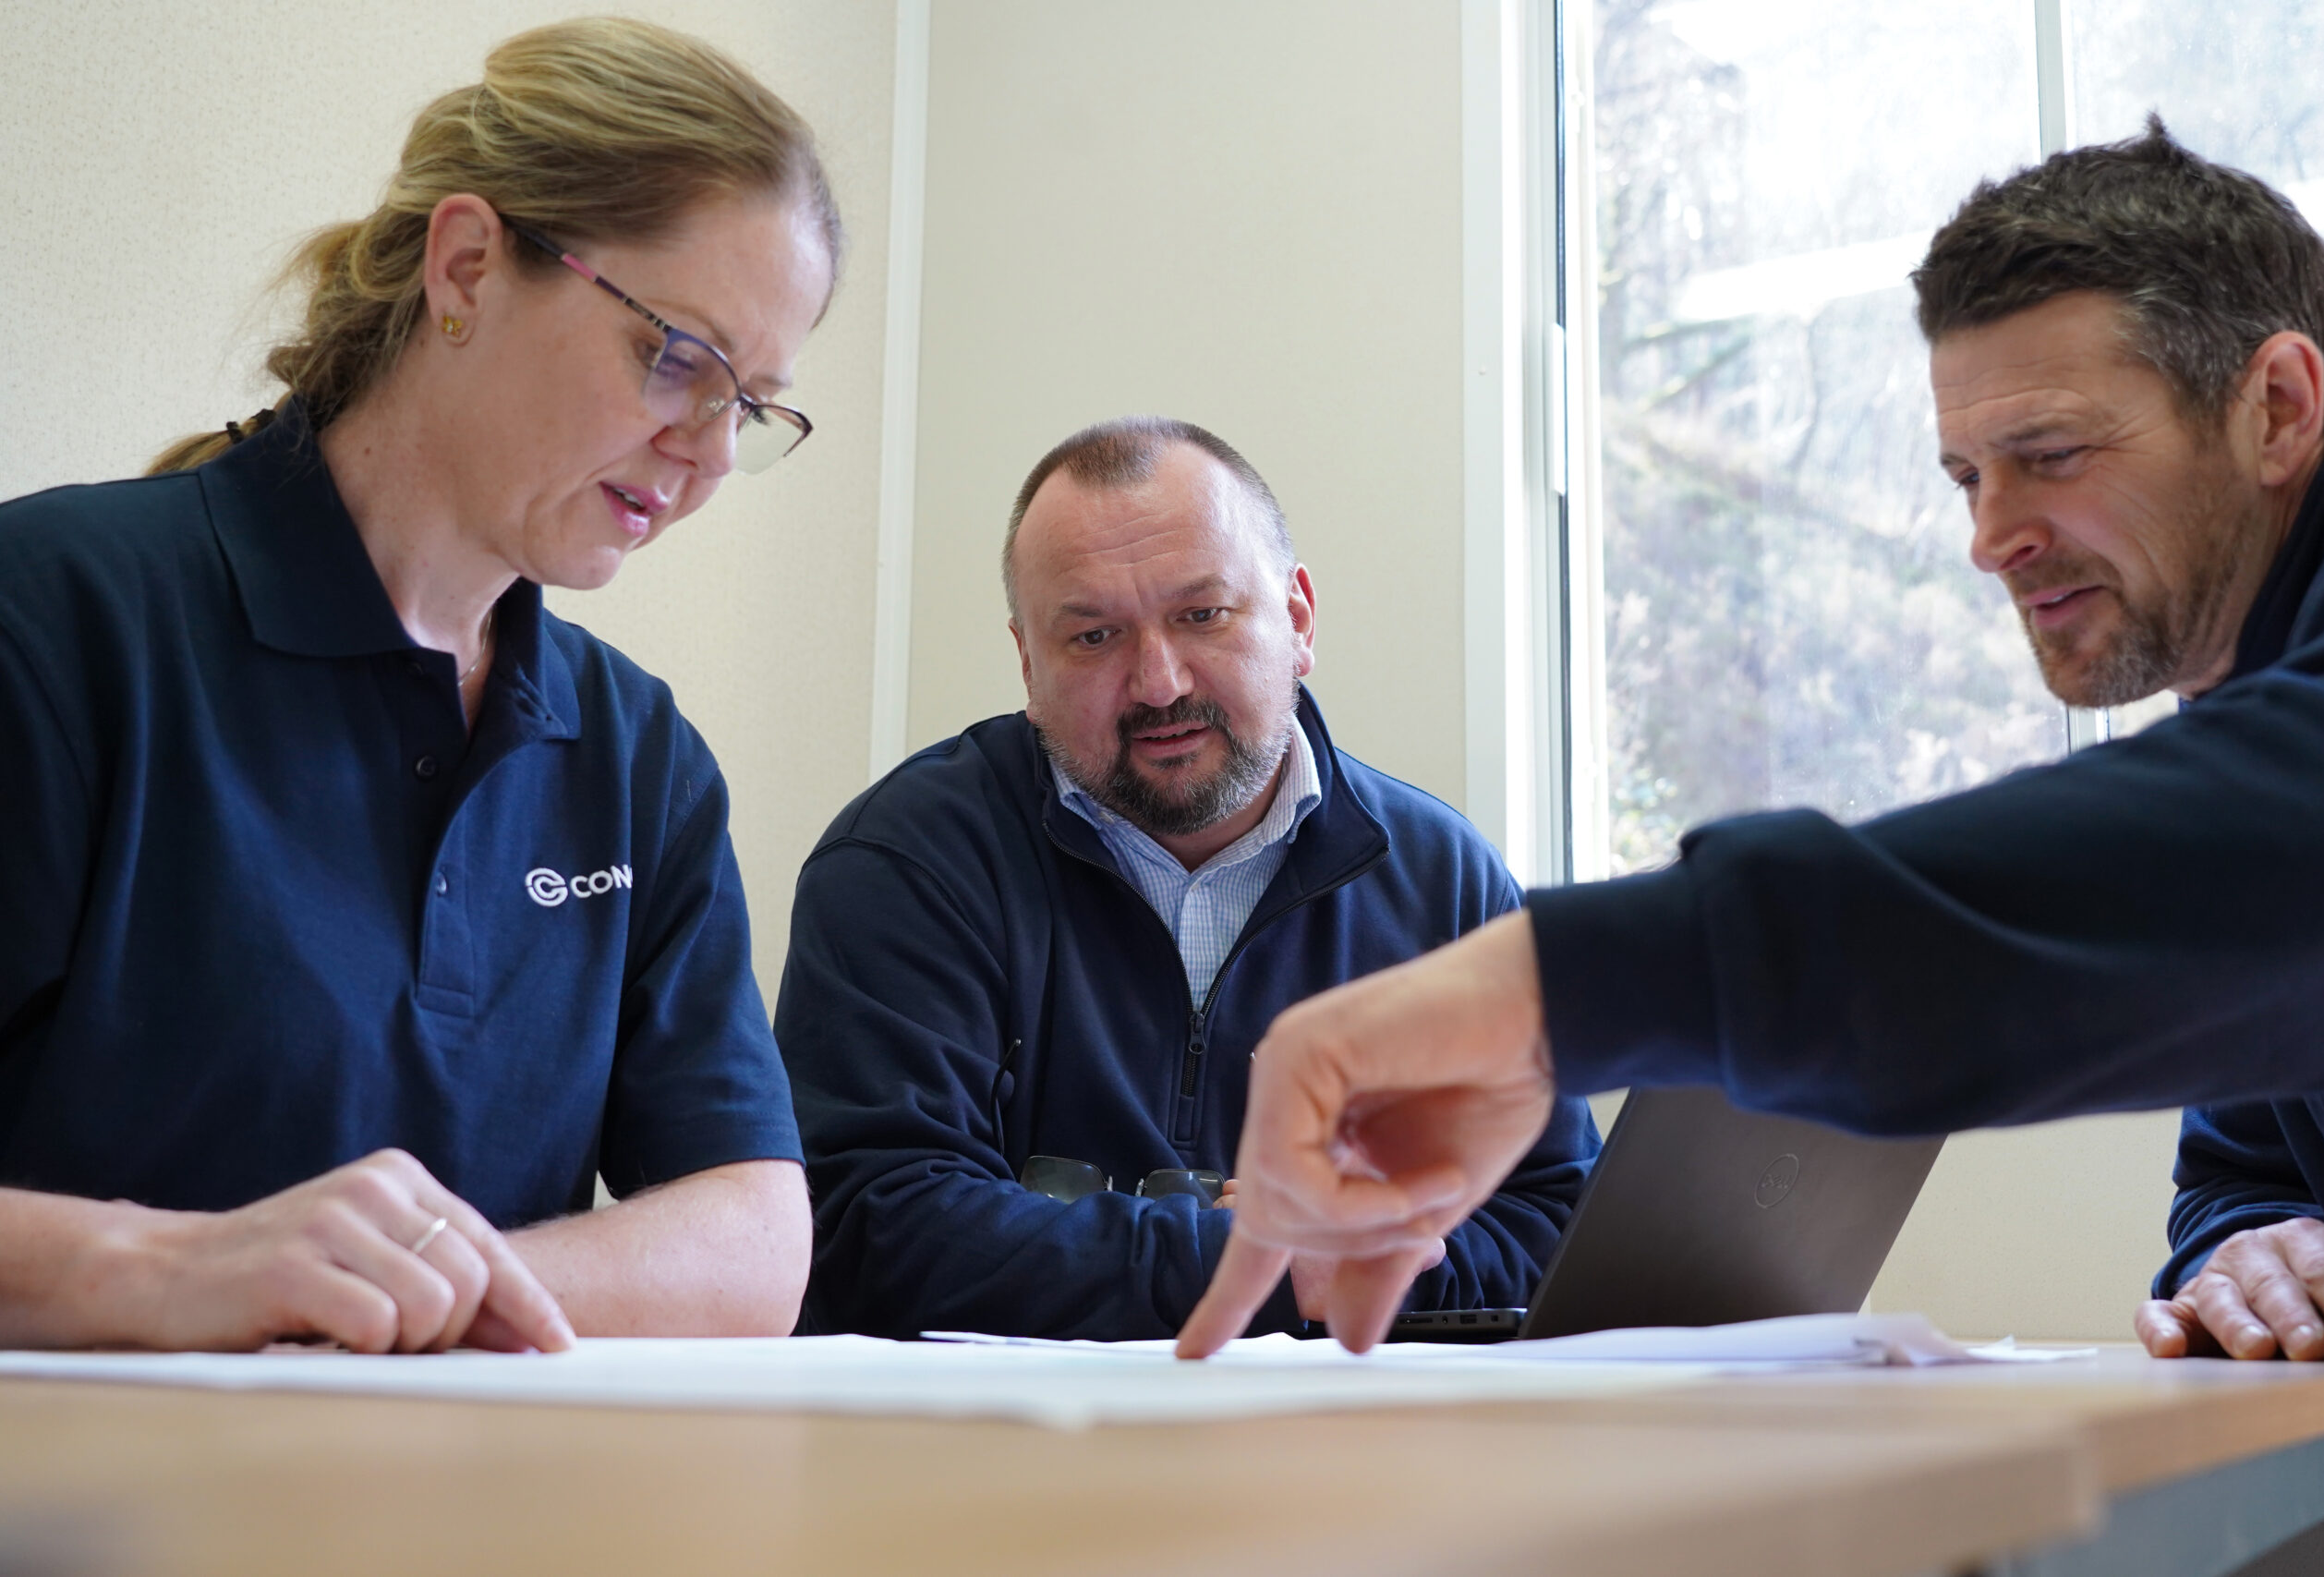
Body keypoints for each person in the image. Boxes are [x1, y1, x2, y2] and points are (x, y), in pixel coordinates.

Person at [1176, 120, 2324, 1362]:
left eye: (2052, 456)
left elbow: (2284, 834)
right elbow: (2247, 1163)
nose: (1990, 539)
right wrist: (2255, 1238)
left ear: (2277, 408)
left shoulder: (2294, 760)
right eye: (1968, 478)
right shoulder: (2257, 711)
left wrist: (1541, 989)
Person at [0, 19, 839, 1353]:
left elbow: (751, 1236)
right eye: (679, 357)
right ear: (466, 269)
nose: (710, 454)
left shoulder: (637, 755)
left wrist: (412, 1290)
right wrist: (173, 1270)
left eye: (751, 406)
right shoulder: (55, 619)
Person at [776, 417, 1599, 1339]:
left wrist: (1373, 1256)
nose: (1159, 683)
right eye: (1094, 636)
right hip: (1001, 1430)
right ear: (1028, 662)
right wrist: (1247, 1258)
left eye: (1202, 616)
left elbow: (1560, 1224)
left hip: (1344, 1426)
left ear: (1297, 619)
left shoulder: (1441, 881)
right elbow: (864, 1223)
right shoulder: (907, 860)